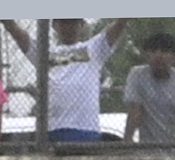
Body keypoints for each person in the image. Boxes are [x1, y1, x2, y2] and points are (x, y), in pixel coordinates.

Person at [41, 17, 121, 145]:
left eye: (73, 23)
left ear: (81, 25)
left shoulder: (93, 48)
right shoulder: (46, 53)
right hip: (55, 129)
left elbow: (117, 26)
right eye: (64, 23)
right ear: (54, 26)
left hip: (86, 129)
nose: (68, 28)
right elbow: (21, 38)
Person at [122, 31, 175, 146]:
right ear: (147, 54)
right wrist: (127, 142)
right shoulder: (137, 75)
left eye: (164, 51)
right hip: (147, 151)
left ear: (174, 57)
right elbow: (135, 112)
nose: (158, 55)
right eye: (153, 51)